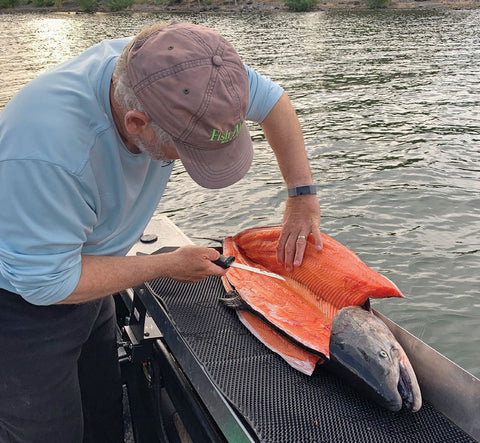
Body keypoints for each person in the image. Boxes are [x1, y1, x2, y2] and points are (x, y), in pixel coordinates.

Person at [0, 22, 321, 442]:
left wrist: (302, 195)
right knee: (47, 430)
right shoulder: (48, 152)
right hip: (20, 299)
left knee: (103, 409)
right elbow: (47, 283)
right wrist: (164, 264)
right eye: (187, 150)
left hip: (91, 266)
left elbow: (275, 102)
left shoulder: (187, 72)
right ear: (137, 122)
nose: (189, 162)